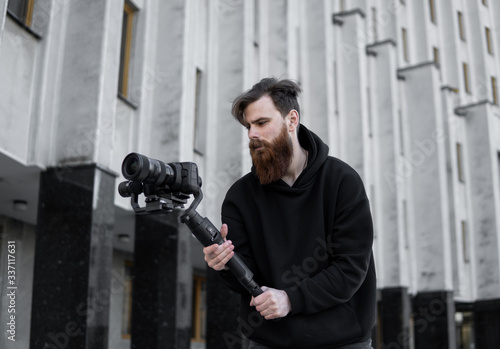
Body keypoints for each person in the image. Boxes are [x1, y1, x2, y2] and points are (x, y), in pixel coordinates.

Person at [203, 77, 376, 349]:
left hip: (343, 341)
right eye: (248, 126)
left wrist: (291, 298)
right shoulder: (240, 196)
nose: (252, 134)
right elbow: (247, 280)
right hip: (269, 342)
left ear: (291, 120)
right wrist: (225, 264)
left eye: (261, 123)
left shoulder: (342, 181)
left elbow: (350, 268)